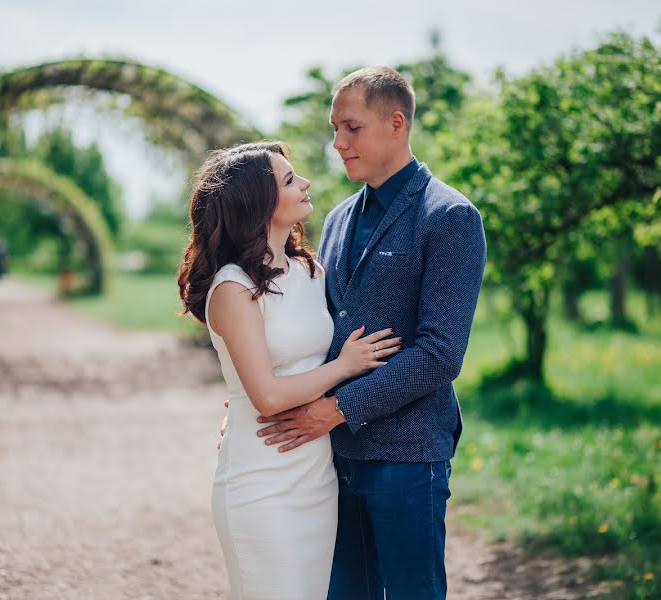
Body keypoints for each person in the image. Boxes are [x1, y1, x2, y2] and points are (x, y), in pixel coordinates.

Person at [254, 67, 487, 599]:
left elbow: (439, 353)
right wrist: (260, 397)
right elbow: (314, 330)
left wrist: (336, 409)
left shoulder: (449, 216)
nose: (337, 143)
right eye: (335, 128)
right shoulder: (335, 219)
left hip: (407, 455)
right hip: (330, 458)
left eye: (351, 128)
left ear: (396, 123)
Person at [178, 141, 401, 599]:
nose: (306, 183)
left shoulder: (310, 271)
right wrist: (344, 367)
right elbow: (269, 397)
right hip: (260, 482)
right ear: (256, 203)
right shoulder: (232, 288)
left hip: (316, 479)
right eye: (288, 179)